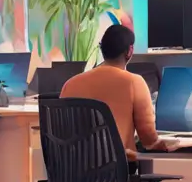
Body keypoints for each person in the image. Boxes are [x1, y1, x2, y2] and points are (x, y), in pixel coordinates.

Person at [61, 25, 174, 158]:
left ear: (102, 49)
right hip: (117, 170)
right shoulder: (134, 82)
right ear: (130, 50)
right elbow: (148, 140)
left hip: (75, 169)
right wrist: (173, 144)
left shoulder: (71, 84)